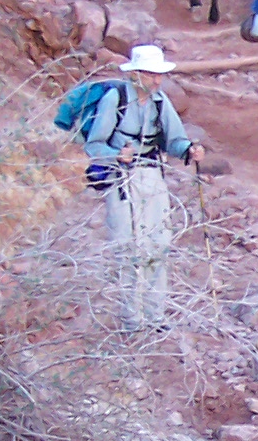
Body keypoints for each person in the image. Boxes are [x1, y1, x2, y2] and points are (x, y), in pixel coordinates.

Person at [83, 42, 205, 331]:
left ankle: (155, 315)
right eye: (151, 74)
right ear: (135, 73)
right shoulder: (115, 100)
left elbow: (175, 140)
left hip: (152, 176)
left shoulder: (160, 101)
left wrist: (189, 150)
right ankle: (131, 319)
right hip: (121, 179)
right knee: (127, 245)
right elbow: (94, 145)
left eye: (158, 74)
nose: (157, 80)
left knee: (158, 243)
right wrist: (117, 155)